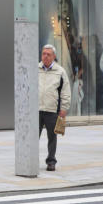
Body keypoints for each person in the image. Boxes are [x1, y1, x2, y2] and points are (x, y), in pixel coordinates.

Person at [38, 44, 71, 172]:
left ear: (54, 56)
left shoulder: (60, 71)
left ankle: (51, 161)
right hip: (37, 109)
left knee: (52, 137)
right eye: (43, 54)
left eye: (48, 54)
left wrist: (64, 108)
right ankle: (32, 159)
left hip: (52, 110)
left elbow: (65, 91)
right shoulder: (36, 68)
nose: (45, 56)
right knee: (34, 137)